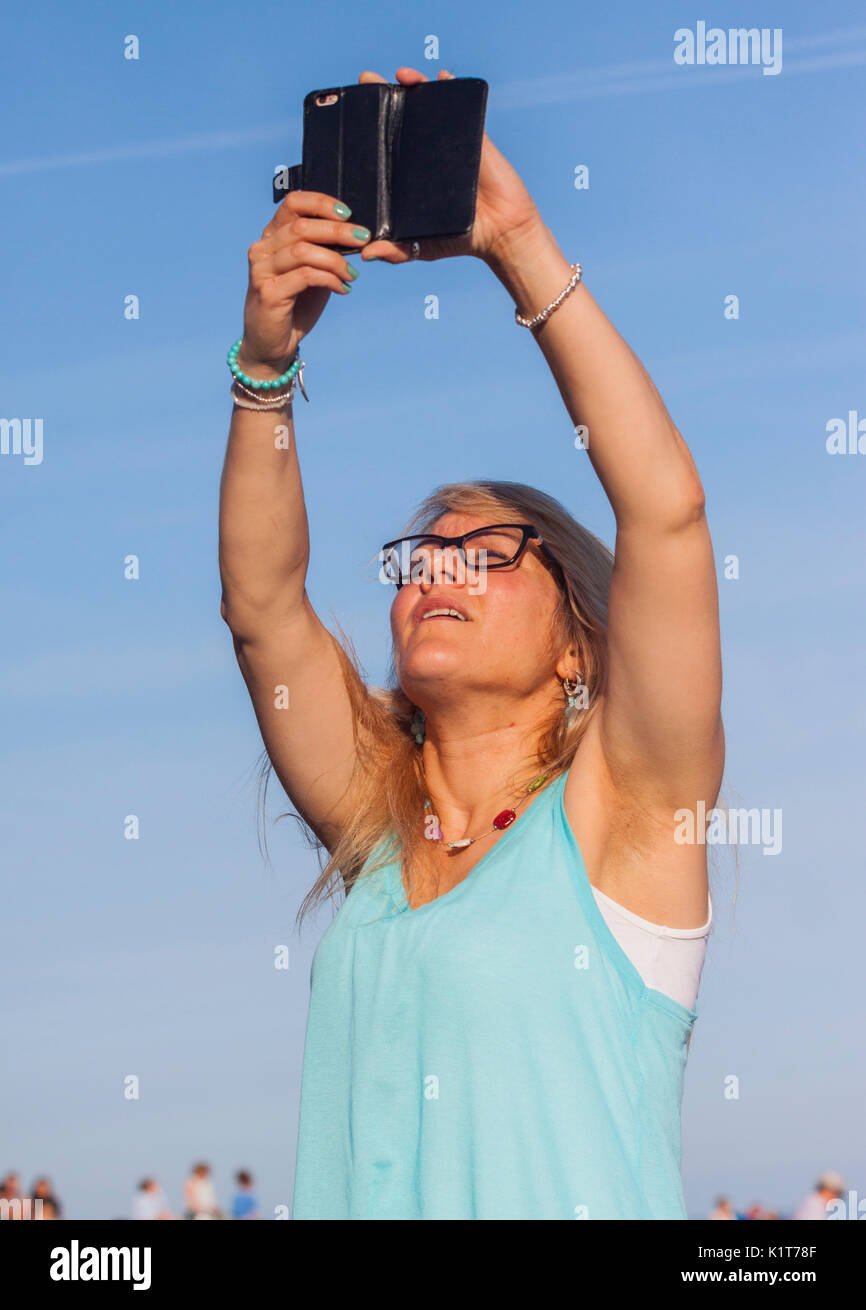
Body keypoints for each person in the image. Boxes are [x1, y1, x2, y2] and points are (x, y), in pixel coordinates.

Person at [219, 64, 723, 1220]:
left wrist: (518, 244)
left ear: (579, 649)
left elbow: (664, 515)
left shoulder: (626, 817)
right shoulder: (378, 830)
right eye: (420, 554)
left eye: (487, 552)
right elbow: (262, 607)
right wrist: (265, 364)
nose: (438, 566)